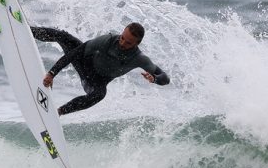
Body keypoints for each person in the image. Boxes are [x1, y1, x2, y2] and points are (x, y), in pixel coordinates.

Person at [31, 22, 170, 116]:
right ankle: (29, 30)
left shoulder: (139, 59)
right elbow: (75, 53)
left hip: (96, 81)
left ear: (137, 44)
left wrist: (154, 79)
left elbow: (165, 78)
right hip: (84, 63)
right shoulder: (108, 40)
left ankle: (59, 112)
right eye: (122, 38)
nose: (122, 43)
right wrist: (52, 73)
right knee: (62, 36)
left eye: (128, 43)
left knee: (99, 94)